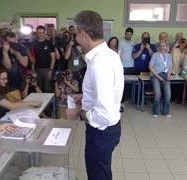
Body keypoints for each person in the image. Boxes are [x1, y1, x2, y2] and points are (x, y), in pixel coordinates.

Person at [67, 10, 124, 180]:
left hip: (101, 131)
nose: (75, 38)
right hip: (108, 128)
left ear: (83, 34)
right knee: (101, 171)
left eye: (76, 34)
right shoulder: (109, 55)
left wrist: (78, 112)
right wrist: (85, 97)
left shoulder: (100, 63)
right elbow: (108, 92)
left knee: (98, 175)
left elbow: (103, 115)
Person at [148, 42, 173, 118]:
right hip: (156, 75)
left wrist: (169, 75)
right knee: (158, 93)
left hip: (165, 75)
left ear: (166, 47)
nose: (162, 47)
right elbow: (150, 66)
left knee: (168, 94)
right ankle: (155, 111)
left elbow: (170, 66)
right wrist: (158, 76)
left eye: (164, 46)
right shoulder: (155, 55)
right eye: (161, 46)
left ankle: (165, 112)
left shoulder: (169, 56)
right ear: (159, 47)